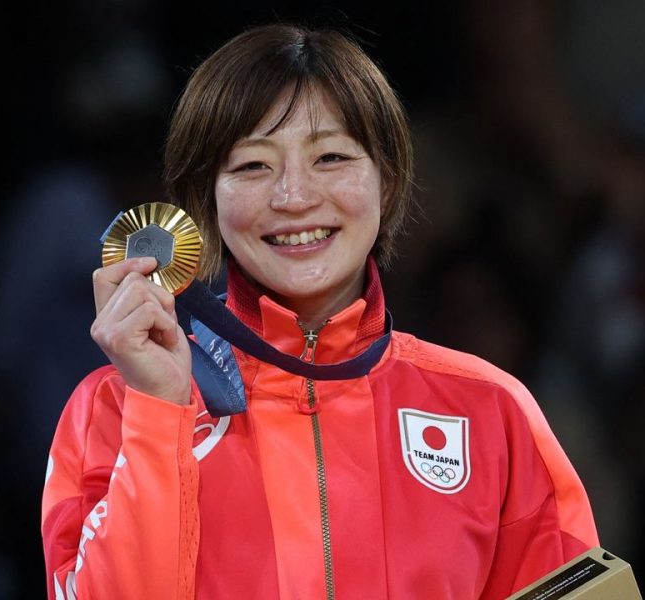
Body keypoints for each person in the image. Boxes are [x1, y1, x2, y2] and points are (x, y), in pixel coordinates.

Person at [41, 23, 599, 599]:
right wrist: (158, 411)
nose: (295, 197)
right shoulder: (114, 410)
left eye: (330, 157)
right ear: (206, 199)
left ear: (385, 178)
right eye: (253, 166)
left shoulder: (491, 410)